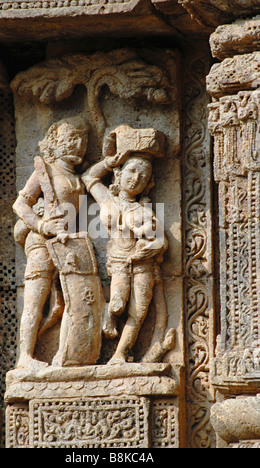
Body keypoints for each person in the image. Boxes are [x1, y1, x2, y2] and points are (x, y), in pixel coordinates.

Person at [82, 125, 169, 365]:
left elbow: (161, 241)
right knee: (118, 304)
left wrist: (152, 247)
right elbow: (88, 177)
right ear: (119, 176)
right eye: (131, 171)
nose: (136, 178)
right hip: (119, 260)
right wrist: (110, 161)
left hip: (143, 264)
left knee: (138, 312)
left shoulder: (144, 211)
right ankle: (109, 315)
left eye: (143, 176)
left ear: (149, 183)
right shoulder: (107, 198)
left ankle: (120, 354)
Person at [13, 117, 90, 370]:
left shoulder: (78, 177)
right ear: (54, 141)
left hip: (67, 244)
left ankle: (64, 354)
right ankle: (25, 356)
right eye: (71, 138)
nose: (78, 144)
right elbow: (20, 204)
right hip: (42, 241)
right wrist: (42, 225)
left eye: (83, 139)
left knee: (66, 301)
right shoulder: (44, 171)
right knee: (35, 299)